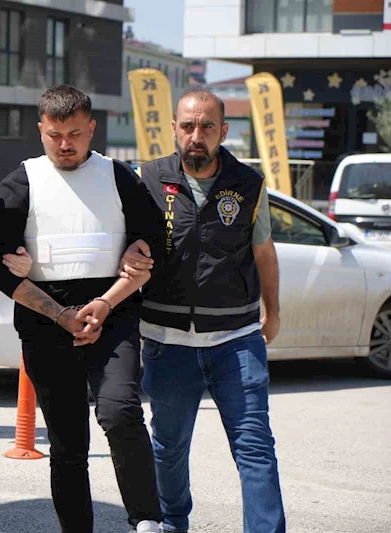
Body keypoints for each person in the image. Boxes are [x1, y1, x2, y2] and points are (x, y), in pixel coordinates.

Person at [0, 85, 164, 533]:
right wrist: (59, 315)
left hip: (114, 317)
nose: (65, 144)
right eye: (55, 135)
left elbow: (153, 246)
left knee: (120, 413)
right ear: (40, 130)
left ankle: (147, 520)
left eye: (75, 134)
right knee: (67, 445)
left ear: (92, 129)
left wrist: (108, 299)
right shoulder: (21, 182)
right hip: (46, 327)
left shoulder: (119, 177)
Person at [120, 89, 286, 533]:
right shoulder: (148, 179)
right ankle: (174, 523)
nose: (197, 135)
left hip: (236, 340)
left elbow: (264, 252)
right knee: (169, 447)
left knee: (255, 448)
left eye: (207, 126)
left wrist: (273, 312)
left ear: (223, 132)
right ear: (174, 128)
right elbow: (126, 242)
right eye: (189, 125)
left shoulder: (248, 184)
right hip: (167, 341)